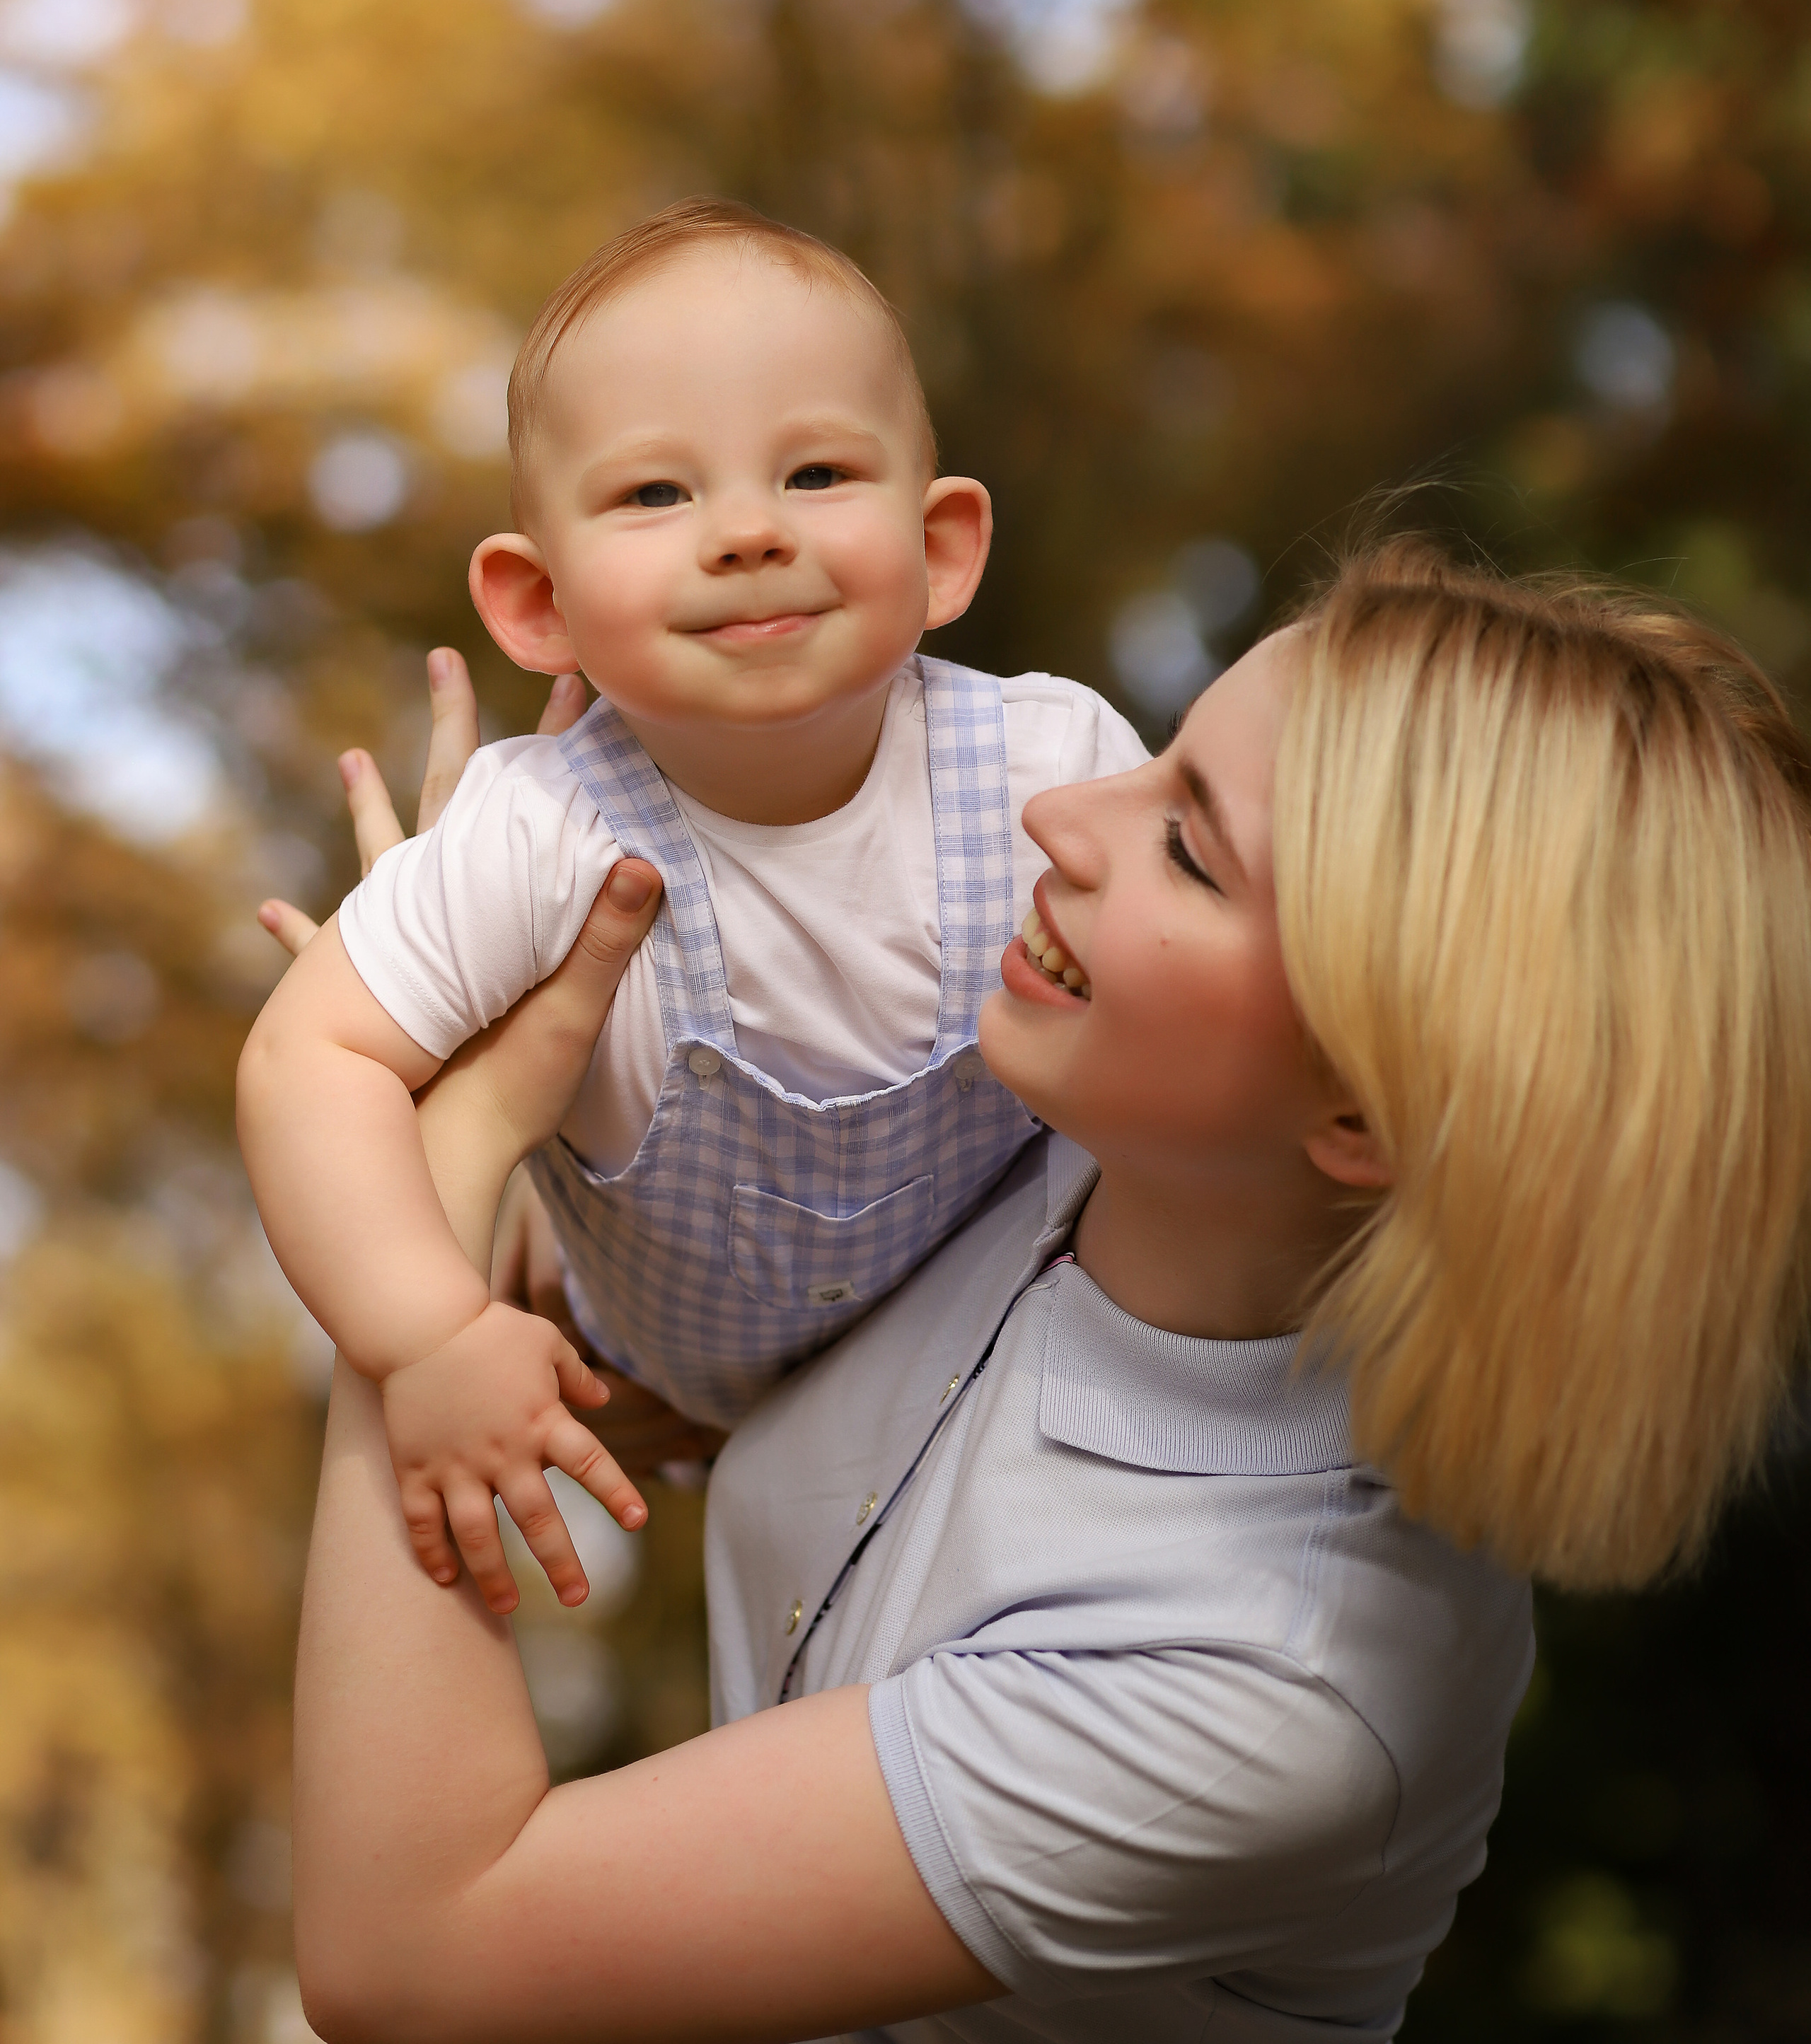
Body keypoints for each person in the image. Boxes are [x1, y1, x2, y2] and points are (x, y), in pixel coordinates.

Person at [284, 540, 1811, 2043]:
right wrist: (494, 996)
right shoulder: (1067, 1137)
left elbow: (414, 1957)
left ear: (1368, 1113)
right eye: (1159, 765)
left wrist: (429, 1161)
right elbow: (683, 1365)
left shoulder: (1274, 1689)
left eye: (1189, 850)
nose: (1057, 812)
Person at [237, 198, 1146, 1612]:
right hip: (658, 1371)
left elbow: (1221, 1031)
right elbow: (311, 1056)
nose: (741, 531)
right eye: (656, 494)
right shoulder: (536, 826)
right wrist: (426, 1335)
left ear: (944, 546)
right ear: (536, 604)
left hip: (988, 1381)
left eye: (817, 471)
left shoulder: (1054, 769)